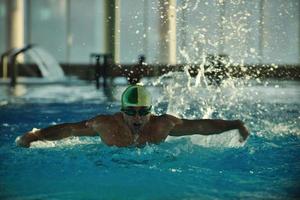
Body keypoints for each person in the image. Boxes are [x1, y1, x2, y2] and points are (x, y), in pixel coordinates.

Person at [16, 85, 249, 148]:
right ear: (122, 111)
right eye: (131, 112)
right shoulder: (105, 125)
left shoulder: (163, 124)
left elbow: (200, 127)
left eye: (142, 112)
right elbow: (68, 129)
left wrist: (234, 124)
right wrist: (34, 135)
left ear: (150, 111)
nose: (137, 118)